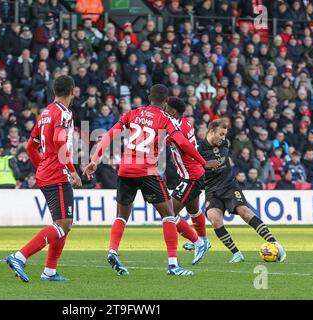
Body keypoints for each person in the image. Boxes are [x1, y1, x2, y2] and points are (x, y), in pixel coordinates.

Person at [83, 84, 219, 276]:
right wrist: (203, 162)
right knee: (169, 216)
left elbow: (109, 135)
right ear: (165, 102)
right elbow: (182, 142)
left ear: (149, 98)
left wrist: (94, 160)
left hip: (125, 170)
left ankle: (113, 251)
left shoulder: (133, 113)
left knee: (121, 216)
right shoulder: (165, 119)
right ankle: (173, 265)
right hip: (147, 171)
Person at [6, 75, 82, 282]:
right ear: (72, 91)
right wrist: (72, 170)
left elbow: (31, 146)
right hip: (57, 173)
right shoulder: (64, 113)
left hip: (47, 172)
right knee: (64, 224)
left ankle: (49, 271)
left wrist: (41, 166)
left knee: (61, 224)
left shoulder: (45, 113)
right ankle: (19, 256)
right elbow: (59, 141)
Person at [197, 118, 286, 263]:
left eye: (225, 134)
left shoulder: (224, 144)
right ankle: (236, 253)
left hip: (228, 185)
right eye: (221, 134)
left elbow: (219, 162)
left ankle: (276, 244)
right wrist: (205, 165)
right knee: (214, 219)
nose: (223, 138)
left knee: (245, 212)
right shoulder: (199, 149)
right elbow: (196, 167)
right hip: (211, 189)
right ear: (211, 132)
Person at [163, 97, 210, 264]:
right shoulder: (186, 122)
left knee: (169, 213)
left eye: (166, 108)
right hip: (191, 174)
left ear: (173, 112)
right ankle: (204, 240)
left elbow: (163, 139)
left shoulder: (177, 128)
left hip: (191, 177)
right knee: (194, 211)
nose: (164, 110)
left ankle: (198, 242)